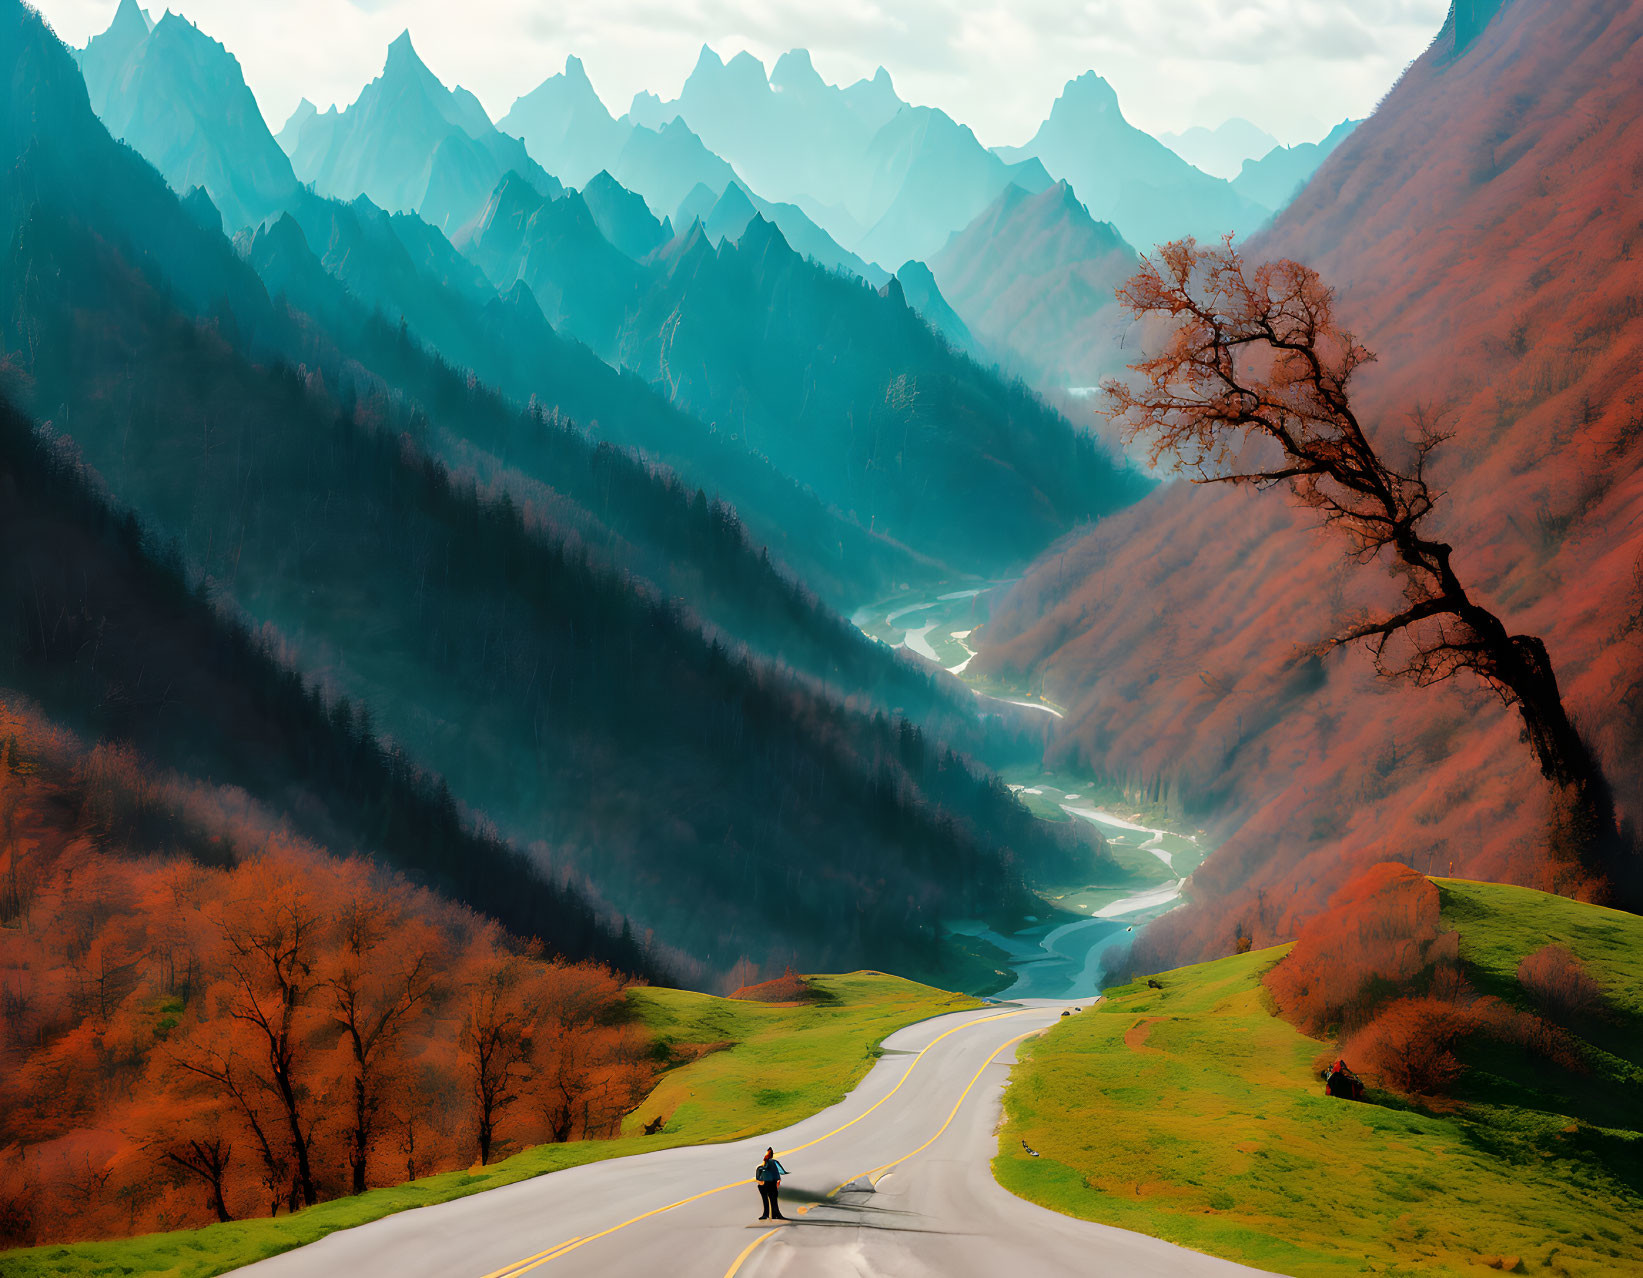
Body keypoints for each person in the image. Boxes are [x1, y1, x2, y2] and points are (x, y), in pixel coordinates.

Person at [755, 1147, 789, 1220]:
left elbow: (758, 1177)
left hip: (767, 1183)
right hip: (771, 1183)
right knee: (773, 1199)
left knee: (767, 1199)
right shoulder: (773, 1162)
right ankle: (774, 1214)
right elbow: (781, 1171)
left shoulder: (763, 1166)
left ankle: (767, 1214)